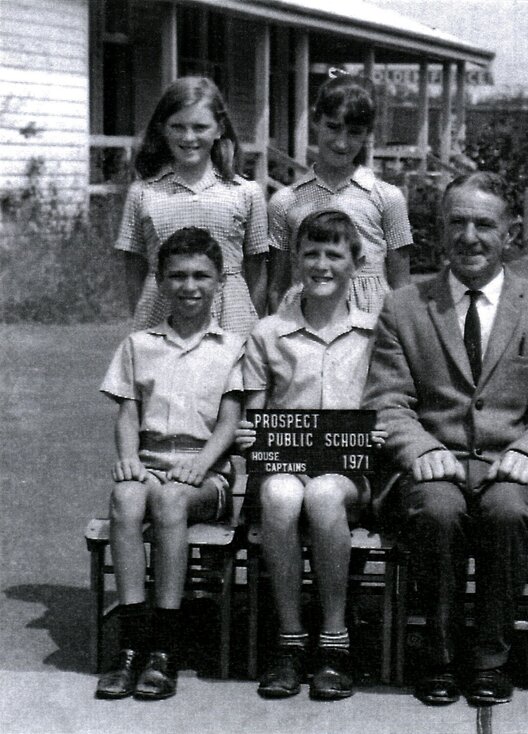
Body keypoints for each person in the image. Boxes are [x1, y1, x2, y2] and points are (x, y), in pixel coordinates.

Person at [363, 171, 528, 707]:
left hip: (512, 465)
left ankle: (490, 658)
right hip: (434, 466)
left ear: (510, 234)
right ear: (439, 232)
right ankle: (437, 655)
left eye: (484, 224)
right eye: (457, 223)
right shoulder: (404, 306)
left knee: (509, 510)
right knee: (437, 511)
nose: (470, 236)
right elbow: (386, 400)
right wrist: (419, 449)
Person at [95, 227, 244, 701]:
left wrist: (202, 463)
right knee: (126, 496)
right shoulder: (140, 345)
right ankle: (132, 642)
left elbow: (230, 419)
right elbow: (127, 413)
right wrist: (127, 461)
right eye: (177, 276)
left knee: (171, 499)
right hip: (152, 463)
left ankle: (165, 644)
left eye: (201, 275)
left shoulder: (232, 347)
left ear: (220, 281)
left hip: (206, 476)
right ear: (160, 280)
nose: (189, 286)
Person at [237, 207, 379, 701]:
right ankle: (290, 639)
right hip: (284, 464)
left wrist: (377, 432)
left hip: (347, 472)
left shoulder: (373, 333)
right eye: (311, 253)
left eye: (334, 254)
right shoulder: (268, 333)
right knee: (278, 494)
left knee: (322, 495)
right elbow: (254, 411)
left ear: (356, 263)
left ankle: (335, 639)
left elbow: (386, 406)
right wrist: (248, 435)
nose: (322, 264)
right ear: (296, 259)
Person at [115, 76, 268, 338]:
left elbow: (257, 271)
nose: (188, 137)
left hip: (231, 319)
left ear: (219, 128)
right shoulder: (143, 193)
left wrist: (249, 323)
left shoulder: (246, 193)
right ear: (163, 128)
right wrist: (145, 320)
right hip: (162, 314)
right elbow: (134, 271)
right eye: (178, 126)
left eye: (200, 127)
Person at [267, 72, 412, 314]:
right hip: (305, 321)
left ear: (367, 133)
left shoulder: (388, 198)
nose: (342, 143)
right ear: (316, 121)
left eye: (354, 132)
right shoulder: (285, 201)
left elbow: (402, 287)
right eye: (333, 127)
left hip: (371, 322)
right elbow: (277, 289)